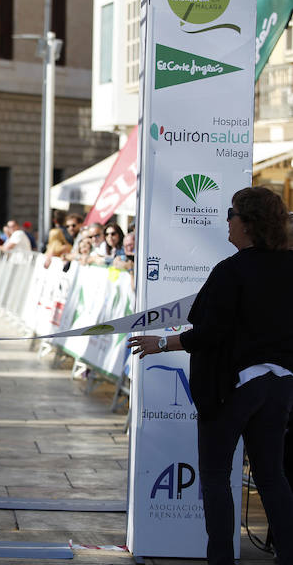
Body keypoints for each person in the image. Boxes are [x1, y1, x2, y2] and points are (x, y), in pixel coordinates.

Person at [128, 187, 293, 565]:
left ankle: (220, 560)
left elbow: (210, 331)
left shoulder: (231, 270)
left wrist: (162, 344)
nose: (227, 221)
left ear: (248, 223)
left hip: (233, 388)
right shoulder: (287, 265)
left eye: (231, 214)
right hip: (280, 384)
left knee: (216, 477)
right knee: (271, 477)